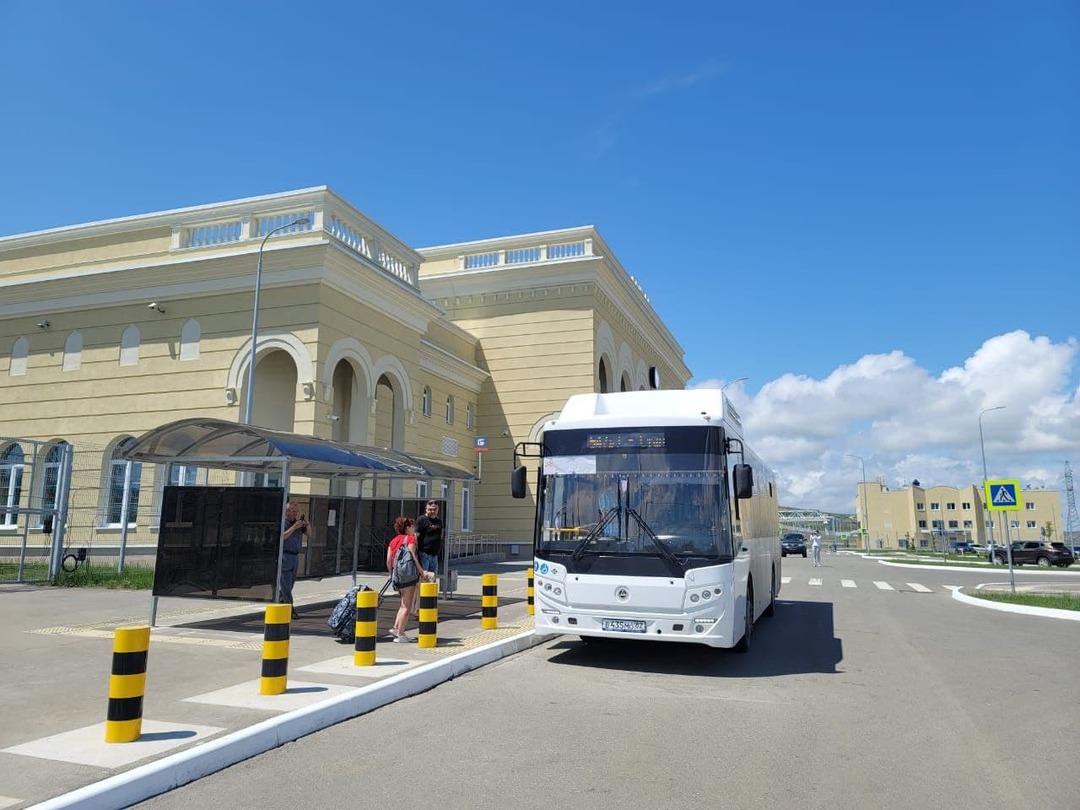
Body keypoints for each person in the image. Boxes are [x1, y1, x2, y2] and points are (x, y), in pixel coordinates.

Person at [386, 516, 428, 642]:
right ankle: (401, 634)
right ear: (408, 528)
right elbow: (413, 557)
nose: (415, 528)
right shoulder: (410, 539)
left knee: (402, 604)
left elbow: (388, 560)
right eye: (413, 526)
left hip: (397, 575)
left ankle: (395, 627)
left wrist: (391, 573)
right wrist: (422, 571)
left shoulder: (393, 541)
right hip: (408, 576)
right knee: (407, 606)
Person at [280, 502, 309, 618]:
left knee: (290, 583)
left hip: (295, 556)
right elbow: (282, 536)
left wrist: (307, 523)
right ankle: (290, 609)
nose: (295, 513)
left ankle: (281, 604)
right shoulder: (284, 522)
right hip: (285, 555)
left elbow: (310, 534)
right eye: (292, 511)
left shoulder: (298, 523)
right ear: (287, 512)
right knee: (285, 584)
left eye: (296, 511)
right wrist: (294, 527)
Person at [414, 500, 444, 579]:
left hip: (434, 554)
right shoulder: (422, 519)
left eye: (434, 509)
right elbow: (415, 536)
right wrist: (416, 551)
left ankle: (431, 592)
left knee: (433, 577)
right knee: (424, 577)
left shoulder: (439, 520)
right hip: (424, 553)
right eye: (430, 509)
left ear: (438, 509)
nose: (432, 511)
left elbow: (441, 533)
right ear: (426, 509)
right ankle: (422, 591)